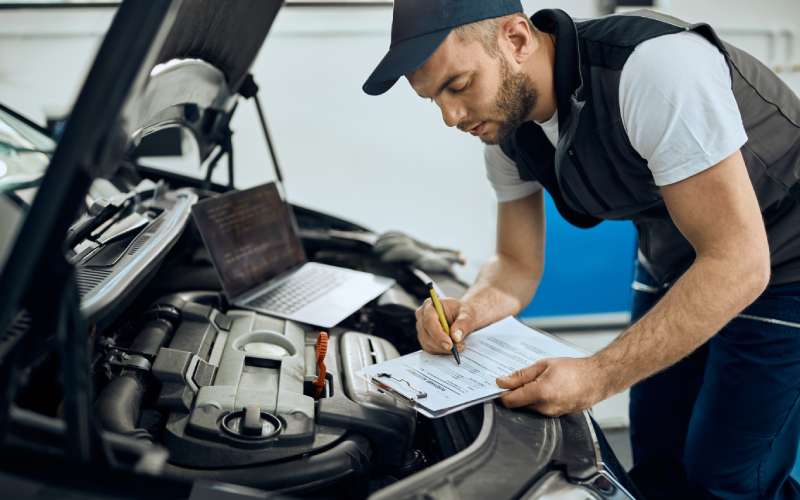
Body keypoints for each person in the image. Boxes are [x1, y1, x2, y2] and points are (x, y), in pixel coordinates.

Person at [362, 1, 800, 498]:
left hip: (785, 256)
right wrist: (471, 310)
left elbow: (739, 262)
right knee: (659, 459)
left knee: (727, 478)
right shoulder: (506, 129)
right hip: (678, 252)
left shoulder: (653, 68)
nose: (451, 117)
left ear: (517, 40)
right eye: (432, 99)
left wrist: (597, 374)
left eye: (458, 86)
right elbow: (515, 264)